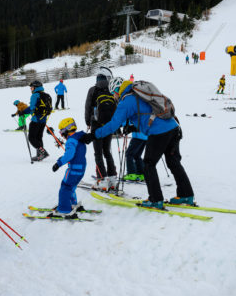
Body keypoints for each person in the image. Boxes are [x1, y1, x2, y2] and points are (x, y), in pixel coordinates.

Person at [80, 78, 195, 210]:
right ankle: (186, 195)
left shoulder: (126, 101)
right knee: (173, 163)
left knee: (148, 164)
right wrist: (134, 128)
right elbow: (147, 114)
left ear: (117, 90)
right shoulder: (138, 93)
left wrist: (93, 135)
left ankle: (155, 200)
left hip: (159, 132)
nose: (114, 97)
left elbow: (112, 126)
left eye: (114, 94)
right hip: (174, 128)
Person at [84, 69, 117, 190]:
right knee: (107, 151)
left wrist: (88, 121)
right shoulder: (111, 89)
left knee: (98, 153)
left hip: (96, 124)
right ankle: (113, 178)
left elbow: (88, 106)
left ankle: (102, 179)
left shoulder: (92, 90)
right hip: (109, 125)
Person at [49, 118, 88, 218]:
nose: (62, 135)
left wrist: (58, 163)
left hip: (74, 169)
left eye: (62, 132)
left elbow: (70, 154)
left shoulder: (71, 140)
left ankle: (64, 209)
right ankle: (72, 203)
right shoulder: (79, 138)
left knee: (65, 187)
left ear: (67, 129)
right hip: (81, 169)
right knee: (71, 186)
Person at [20, 80, 51, 161]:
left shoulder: (35, 95)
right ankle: (40, 155)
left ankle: (42, 152)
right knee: (39, 137)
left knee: (32, 138)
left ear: (35, 87)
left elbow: (31, 108)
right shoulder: (46, 95)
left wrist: (23, 112)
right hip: (43, 120)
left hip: (36, 120)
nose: (31, 89)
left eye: (32, 87)